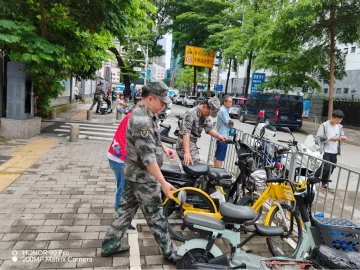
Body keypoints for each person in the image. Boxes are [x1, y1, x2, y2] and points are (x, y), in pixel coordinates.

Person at [101, 80, 179, 262]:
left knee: (124, 210)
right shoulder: (141, 120)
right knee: (156, 216)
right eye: (162, 102)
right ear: (151, 98)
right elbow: (148, 159)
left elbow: (151, 140)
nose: (164, 106)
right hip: (143, 177)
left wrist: (163, 148)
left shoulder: (146, 114)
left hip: (132, 173)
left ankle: (110, 244)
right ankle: (171, 252)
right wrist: (163, 183)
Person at [107, 102, 138, 232]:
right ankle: (120, 222)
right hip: (119, 158)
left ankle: (120, 218)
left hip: (115, 155)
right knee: (123, 190)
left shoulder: (133, 112)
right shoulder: (137, 118)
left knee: (123, 189)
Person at [176, 97, 227, 165]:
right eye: (209, 112)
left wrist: (219, 136)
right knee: (195, 166)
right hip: (184, 144)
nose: (209, 114)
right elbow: (186, 134)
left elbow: (209, 129)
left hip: (192, 144)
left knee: (192, 168)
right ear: (204, 106)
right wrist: (187, 152)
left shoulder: (204, 115)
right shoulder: (190, 114)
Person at [315, 109, 346, 191]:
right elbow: (318, 137)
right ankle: (314, 179)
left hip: (334, 151)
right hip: (326, 150)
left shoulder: (339, 127)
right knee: (326, 166)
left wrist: (343, 137)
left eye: (341, 120)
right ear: (332, 117)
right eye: (337, 119)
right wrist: (329, 139)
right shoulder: (325, 125)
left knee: (332, 167)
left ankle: (323, 183)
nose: (339, 121)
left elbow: (342, 135)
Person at [214, 95, 233, 168]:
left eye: (231, 102)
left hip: (221, 136)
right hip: (223, 137)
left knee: (217, 155)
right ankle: (218, 173)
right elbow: (229, 123)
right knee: (220, 157)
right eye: (230, 102)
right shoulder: (223, 110)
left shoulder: (224, 110)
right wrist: (231, 124)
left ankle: (215, 171)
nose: (231, 103)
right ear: (225, 102)